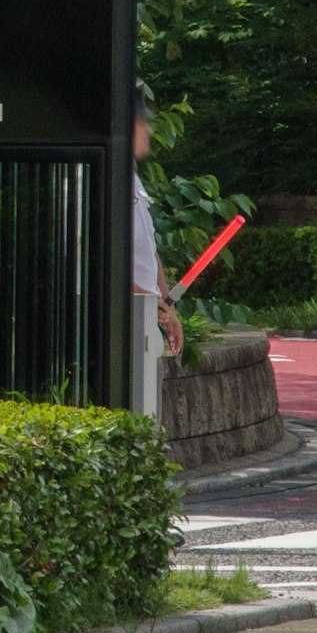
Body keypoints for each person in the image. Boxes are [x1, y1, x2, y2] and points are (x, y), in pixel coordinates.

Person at [130, 83, 183, 421]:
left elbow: (148, 252)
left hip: (145, 318)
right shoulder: (102, 178)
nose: (148, 129)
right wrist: (144, 301)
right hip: (125, 321)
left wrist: (167, 303)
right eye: (141, 121)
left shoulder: (133, 180)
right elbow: (101, 254)